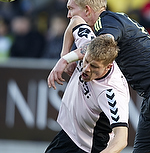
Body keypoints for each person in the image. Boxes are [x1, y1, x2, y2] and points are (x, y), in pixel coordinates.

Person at [47, 0, 150, 153]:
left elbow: (102, 43)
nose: (68, 15)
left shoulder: (106, 22)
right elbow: (76, 23)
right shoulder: (117, 19)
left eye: (71, 9)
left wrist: (66, 60)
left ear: (87, 9)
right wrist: (64, 54)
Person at [45, 17, 130, 153]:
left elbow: (121, 139)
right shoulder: (89, 45)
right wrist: (65, 57)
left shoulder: (111, 92)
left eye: (94, 66)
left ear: (108, 67)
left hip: (89, 146)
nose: (86, 69)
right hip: (69, 134)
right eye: (86, 61)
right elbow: (76, 20)